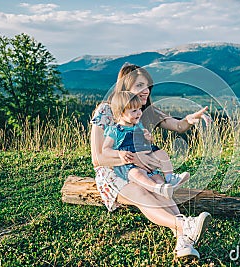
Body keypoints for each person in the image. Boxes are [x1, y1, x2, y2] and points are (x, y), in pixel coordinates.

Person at [90, 63, 212, 259]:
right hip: (113, 171)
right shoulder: (106, 110)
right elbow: (98, 158)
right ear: (125, 87)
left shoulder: (145, 110)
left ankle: (182, 242)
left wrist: (188, 120)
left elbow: (177, 125)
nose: (146, 91)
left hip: (143, 169)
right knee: (141, 192)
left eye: (147, 86)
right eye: (139, 86)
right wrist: (126, 157)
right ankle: (183, 225)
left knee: (161, 188)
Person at [103, 90, 190, 199]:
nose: (139, 113)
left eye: (140, 109)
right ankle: (156, 188)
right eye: (134, 111)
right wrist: (119, 153)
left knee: (161, 156)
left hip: (146, 157)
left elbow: (146, 143)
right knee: (138, 174)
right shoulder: (115, 130)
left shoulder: (138, 125)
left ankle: (169, 179)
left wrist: (148, 139)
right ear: (121, 113)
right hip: (129, 163)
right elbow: (106, 150)